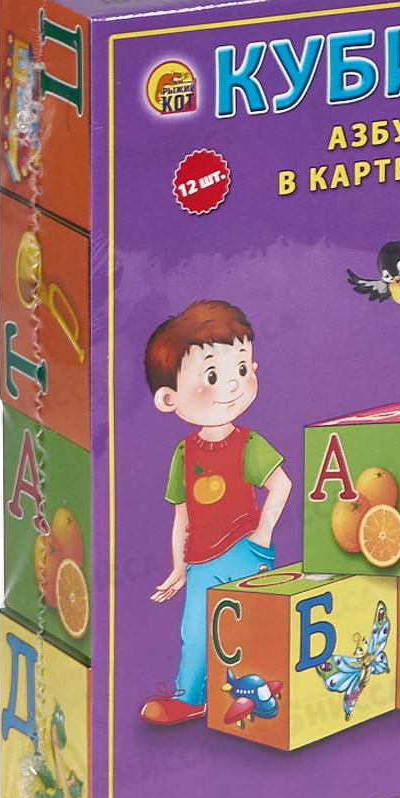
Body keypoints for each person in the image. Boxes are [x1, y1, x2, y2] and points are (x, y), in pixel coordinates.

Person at [142, 300, 291, 725]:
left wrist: (261, 537)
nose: (231, 386)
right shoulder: (185, 452)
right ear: (168, 398)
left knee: (246, 626)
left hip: (244, 549)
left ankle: (260, 696)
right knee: (195, 630)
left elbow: (281, 485)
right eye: (211, 377)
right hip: (200, 560)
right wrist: (178, 566)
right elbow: (182, 517)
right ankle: (190, 698)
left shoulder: (248, 443)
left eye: (241, 369)